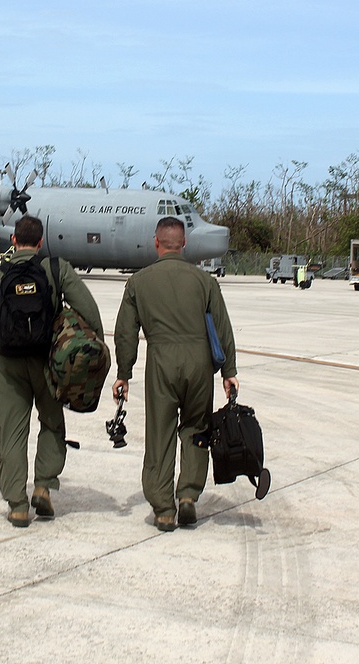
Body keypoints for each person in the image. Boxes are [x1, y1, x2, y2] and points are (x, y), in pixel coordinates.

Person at [0, 215, 104, 528]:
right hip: (48, 362)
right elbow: (91, 314)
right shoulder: (57, 270)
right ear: (41, 242)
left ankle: (17, 504)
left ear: (13, 241)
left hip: (8, 365)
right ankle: (43, 486)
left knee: (12, 433)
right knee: (52, 424)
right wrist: (85, 349)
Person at [112, 216, 238, 532]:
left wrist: (123, 374)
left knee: (160, 433)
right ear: (185, 244)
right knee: (197, 428)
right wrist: (229, 371)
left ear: (156, 243)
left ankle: (164, 509)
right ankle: (188, 498)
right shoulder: (205, 281)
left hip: (161, 361)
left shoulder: (138, 282)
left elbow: (125, 332)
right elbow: (222, 327)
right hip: (199, 364)